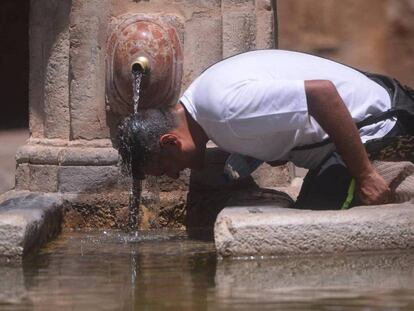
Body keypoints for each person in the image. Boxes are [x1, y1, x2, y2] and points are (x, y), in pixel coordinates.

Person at [117, 49, 414, 209]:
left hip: (381, 126)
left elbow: (323, 95)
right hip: (356, 125)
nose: (173, 175)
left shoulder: (224, 112)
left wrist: (366, 175)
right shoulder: (201, 101)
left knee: (314, 222)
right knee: (307, 210)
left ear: (170, 142)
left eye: (165, 168)